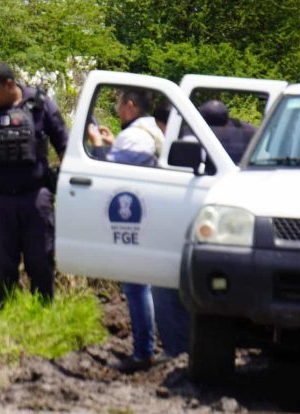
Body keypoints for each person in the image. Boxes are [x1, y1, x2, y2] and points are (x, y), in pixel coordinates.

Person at [88, 88, 188, 372]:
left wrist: (98, 146)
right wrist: (111, 143)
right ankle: (162, 346)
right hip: (156, 216)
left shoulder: (134, 136)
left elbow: (109, 172)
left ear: (130, 105)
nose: (118, 111)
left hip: (142, 218)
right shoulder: (149, 131)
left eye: (119, 105)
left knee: (136, 284)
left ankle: (147, 351)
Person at [0, 62, 68, 309]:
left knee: (40, 260)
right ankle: (7, 318)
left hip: (36, 197)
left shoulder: (40, 105)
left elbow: (65, 146)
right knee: (2, 264)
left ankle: (43, 314)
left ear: (10, 85)